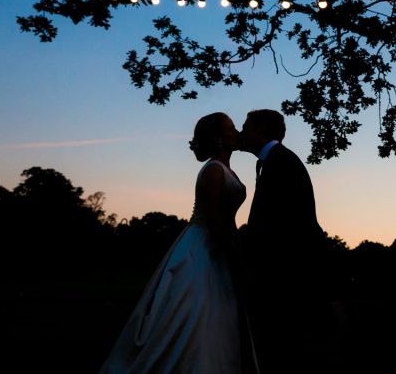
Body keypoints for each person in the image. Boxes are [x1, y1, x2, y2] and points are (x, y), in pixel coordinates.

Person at [99, 112, 258, 374]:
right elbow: (213, 218)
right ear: (219, 138)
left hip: (222, 241)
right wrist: (231, 252)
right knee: (195, 310)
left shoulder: (226, 169)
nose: (236, 131)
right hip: (204, 247)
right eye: (231, 127)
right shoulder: (213, 171)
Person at [239, 109, 330, 373]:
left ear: (260, 131)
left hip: (286, 276)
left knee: (285, 351)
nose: (242, 134)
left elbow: (280, 225)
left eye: (246, 127)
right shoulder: (273, 160)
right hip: (284, 274)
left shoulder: (281, 162)